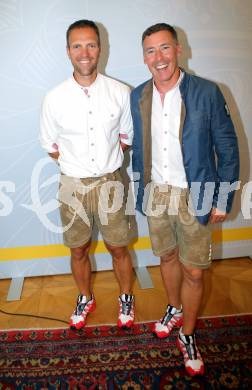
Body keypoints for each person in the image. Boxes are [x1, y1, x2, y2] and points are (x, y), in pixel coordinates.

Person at [131, 23, 239, 376]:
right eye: (150, 51)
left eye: (164, 48)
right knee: (166, 256)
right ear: (144, 57)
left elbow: (227, 147)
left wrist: (222, 198)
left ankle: (188, 334)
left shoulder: (207, 92)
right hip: (158, 193)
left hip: (197, 193)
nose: (158, 57)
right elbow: (140, 148)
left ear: (179, 49)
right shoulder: (139, 95)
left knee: (194, 269)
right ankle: (173, 307)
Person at [40, 19, 135, 330]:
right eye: (77, 45)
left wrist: (104, 167)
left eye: (91, 44)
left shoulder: (121, 92)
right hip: (72, 186)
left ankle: (125, 297)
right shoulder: (54, 98)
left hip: (110, 183)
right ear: (68, 51)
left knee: (118, 247)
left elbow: (126, 137)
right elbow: (50, 146)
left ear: (100, 48)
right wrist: (77, 168)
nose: (85, 52)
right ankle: (85, 296)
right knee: (78, 248)